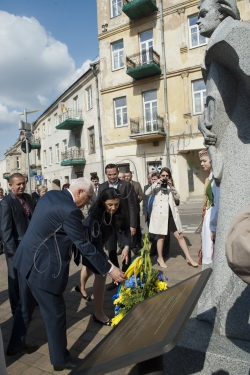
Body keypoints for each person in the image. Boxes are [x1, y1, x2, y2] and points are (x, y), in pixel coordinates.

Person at [6, 178, 125, 371]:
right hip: (43, 268)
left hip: (25, 259)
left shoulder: (51, 195)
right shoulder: (71, 211)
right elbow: (84, 245)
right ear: (78, 193)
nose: (88, 202)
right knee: (56, 314)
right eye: (87, 198)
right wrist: (111, 269)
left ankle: (15, 344)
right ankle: (60, 359)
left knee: (24, 306)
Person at [75, 188, 130, 324]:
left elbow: (126, 228)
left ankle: (80, 286)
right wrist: (110, 267)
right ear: (102, 202)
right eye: (110, 205)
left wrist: (126, 246)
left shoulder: (120, 211)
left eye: (116, 204)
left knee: (88, 267)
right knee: (101, 273)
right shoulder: (95, 216)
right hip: (88, 245)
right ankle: (98, 313)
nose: (113, 208)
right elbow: (95, 248)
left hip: (100, 242)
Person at [145, 167, 198, 268]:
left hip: (171, 215)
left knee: (180, 236)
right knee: (161, 238)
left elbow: (177, 197)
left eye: (167, 176)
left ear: (169, 177)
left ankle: (189, 258)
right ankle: (160, 258)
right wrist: (157, 182)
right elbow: (147, 192)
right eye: (163, 176)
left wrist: (172, 187)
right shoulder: (156, 186)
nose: (165, 177)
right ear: (160, 176)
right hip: (160, 215)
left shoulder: (170, 187)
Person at [98, 164, 137, 290]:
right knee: (111, 251)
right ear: (106, 174)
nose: (112, 177)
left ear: (117, 172)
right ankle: (116, 278)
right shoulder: (102, 187)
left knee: (126, 250)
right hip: (108, 225)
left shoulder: (126, 185)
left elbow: (132, 206)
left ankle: (127, 276)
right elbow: (100, 205)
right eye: (109, 174)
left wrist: (133, 224)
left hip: (124, 223)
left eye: (114, 174)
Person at [0, 173, 33, 315]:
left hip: (30, 246)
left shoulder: (28, 198)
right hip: (15, 248)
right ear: (10, 185)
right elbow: (5, 230)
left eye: (23, 183)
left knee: (28, 276)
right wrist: (12, 253)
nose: (22, 186)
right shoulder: (6, 202)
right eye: (18, 184)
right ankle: (17, 310)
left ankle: (28, 303)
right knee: (15, 281)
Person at [198, 149, 220, 265]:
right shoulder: (210, 176)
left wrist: (213, 226)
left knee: (211, 246)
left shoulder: (215, 178)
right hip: (208, 215)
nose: (202, 164)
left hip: (212, 215)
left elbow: (216, 203)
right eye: (201, 161)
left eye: (204, 161)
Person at [125, 171, 143, 252]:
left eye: (128, 176)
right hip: (126, 210)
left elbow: (141, 195)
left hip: (135, 209)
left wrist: (136, 201)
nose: (127, 178)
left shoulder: (136, 184)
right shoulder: (123, 185)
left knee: (136, 227)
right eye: (125, 176)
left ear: (131, 176)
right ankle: (129, 244)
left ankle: (138, 242)